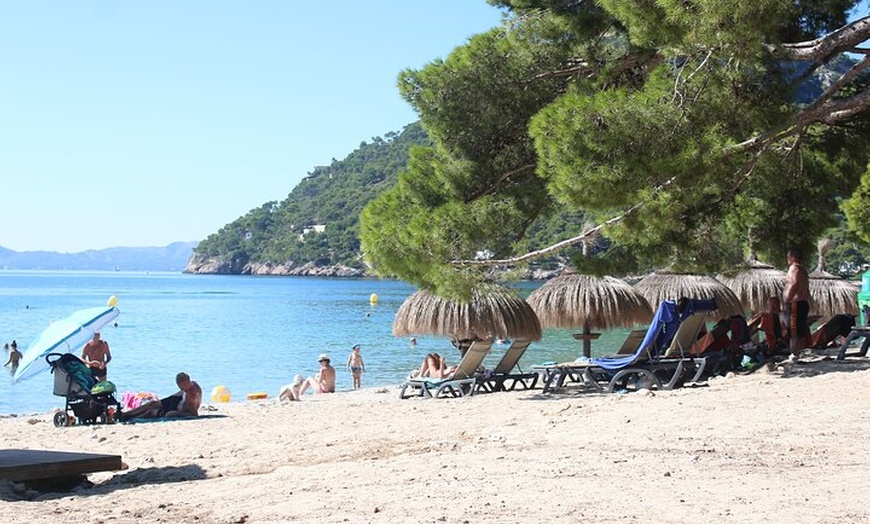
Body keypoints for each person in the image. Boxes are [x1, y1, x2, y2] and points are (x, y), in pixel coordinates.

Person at [120, 372, 202, 420]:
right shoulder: (191, 385)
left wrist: (174, 413)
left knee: (151, 412)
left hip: (176, 408)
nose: (180, 387)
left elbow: (194, 414)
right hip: (177, 400)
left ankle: (126, 416)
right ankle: (126, 414)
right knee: (152, 404)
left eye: (181, 385)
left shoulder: (192, 395)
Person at [783, 248, 811, 359]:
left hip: (795, 303)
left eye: (788, 257)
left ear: (792, 257)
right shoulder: (803, 270)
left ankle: (794, 354)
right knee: (799, 332)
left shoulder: (794, 268)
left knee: (793, 332)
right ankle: (798, 354)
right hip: (802, 303)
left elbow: (794, 283)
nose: (787, 260)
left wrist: (787, 299)